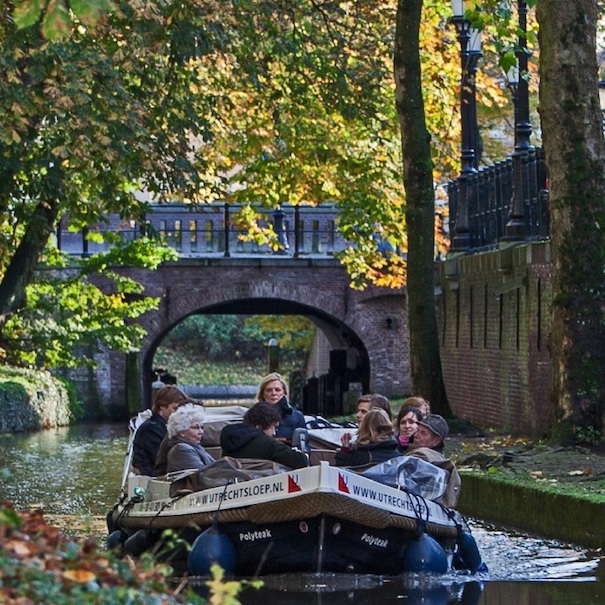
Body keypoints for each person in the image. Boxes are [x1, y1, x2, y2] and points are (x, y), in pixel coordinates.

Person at [220, 403, 309, 469]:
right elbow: (301, 461)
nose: (274, 433)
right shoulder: (267, 444)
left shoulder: (230, 441)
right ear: (264, 423)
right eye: (274, 427)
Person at [132, 385, 196, 475]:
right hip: (153, 477)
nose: (180, 413)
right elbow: (160, 459)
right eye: (175, 409)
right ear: (162, 406)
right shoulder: (150, 429)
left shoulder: (167, 426)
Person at [407, 414, 461, 508]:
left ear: (436, 441)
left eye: (423, 433)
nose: (416, 435)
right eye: (417, 431)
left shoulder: (422, 457)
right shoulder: (439, 458)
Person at [335, 408, 399, 467]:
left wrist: (344, 450)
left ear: (364, 429)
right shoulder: (399, 458)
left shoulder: (359, 456)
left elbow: (341, 472)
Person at [256, 372, 305, 444]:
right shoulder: (254, 415)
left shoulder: (297, 416)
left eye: (277, 390)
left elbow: (302, 444)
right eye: (269, 390)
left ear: (284, 393)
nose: (273, 393)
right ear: (262, 394)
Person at [165, 404, 215, 473]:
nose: (201, 432)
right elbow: (203, 475)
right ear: (181, 431)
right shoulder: (181, 449)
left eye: (202, 427)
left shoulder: (196, 447)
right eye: (195, 427)